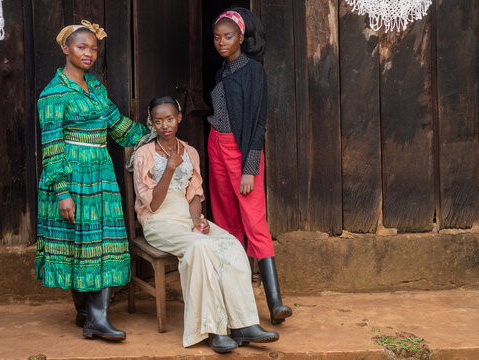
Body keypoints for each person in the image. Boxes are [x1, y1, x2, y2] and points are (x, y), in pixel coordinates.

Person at [128, 96, 279, 353]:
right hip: (159, 221)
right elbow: (151, 205)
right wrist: (169, 170)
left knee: (230, 244)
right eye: (158, 121)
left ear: (179, 118)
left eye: (169, 119)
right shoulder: (144, 154)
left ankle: (244, 325)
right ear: (151, 123)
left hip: (187, 218)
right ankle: (214, 330)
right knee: (200, 248)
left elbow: (195, 195)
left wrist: (198, 220)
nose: (164, 125)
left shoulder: (190, 152)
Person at [36, 20, 148, 341]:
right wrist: (62, 192)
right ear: (65, 49)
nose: (89, 53)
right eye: (81, 46)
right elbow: (52, 148)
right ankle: (91, 317)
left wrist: (154, 135)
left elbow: (118, 125)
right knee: (79, 245)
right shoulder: (53, 94)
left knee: (102, 243)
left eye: (93, 48)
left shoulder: (96, 88)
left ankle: (91, 316)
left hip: (100, 175)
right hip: (72, 178)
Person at [208, 8, 292, 325]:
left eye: (228, 36)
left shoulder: (253, 71)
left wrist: (249, 167)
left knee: (254, 220)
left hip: (240, 153)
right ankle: (238, 301)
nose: (221, 42)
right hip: (216, 145)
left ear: (242, 37)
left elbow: (257, 124)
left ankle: (275, 303)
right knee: (227, 221)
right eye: (217, 37)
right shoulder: (221, 74)